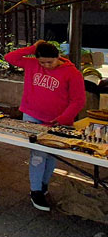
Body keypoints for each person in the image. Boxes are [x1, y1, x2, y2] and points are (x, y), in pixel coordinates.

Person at [5, 41, 86, 212]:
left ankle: (43, 185)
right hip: (31, 114)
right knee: (38, 154)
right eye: (42, 62)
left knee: (51, 154)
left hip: (56, 120)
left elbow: (78, 100)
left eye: (50, 62)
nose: (46, 66)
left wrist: (63, 118)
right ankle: (36, 191)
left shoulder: (72, 73)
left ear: (59, 57)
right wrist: (34, 48)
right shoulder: (32, 63)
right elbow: (10, 57)